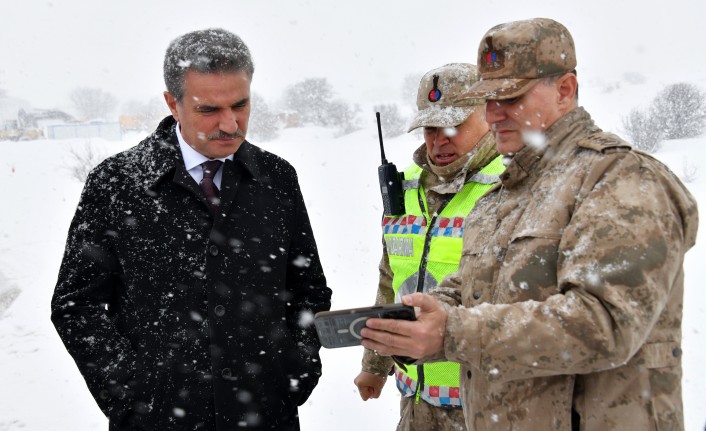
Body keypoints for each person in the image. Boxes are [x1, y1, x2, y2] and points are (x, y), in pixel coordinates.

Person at [360, 18, 698, 431]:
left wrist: (453, 332)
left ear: (565, 90)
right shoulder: (503, 195)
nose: (493, 114)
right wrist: (424, 316)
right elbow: (469, 290)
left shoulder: (620, 179)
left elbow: (605, 324)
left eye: (510, 97)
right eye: (487, 99)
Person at [51, 28, 332, 431]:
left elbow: (308, 288)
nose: (230, 124)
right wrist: (129, 394)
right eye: (208, 110)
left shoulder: (276, 178)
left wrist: (297, 368)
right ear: (173, 103)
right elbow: (76, 305)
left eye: (240, 105)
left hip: (267, 414)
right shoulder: (117, 183)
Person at [353, 63, 504, 430]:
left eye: (453, 125)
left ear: (488, 113)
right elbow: (391, 277)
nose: (439, 139)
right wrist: (375, 363)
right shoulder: (403, 190)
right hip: (416, 401)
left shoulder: (510, 186)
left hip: (488, 405)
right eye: (431, 128)